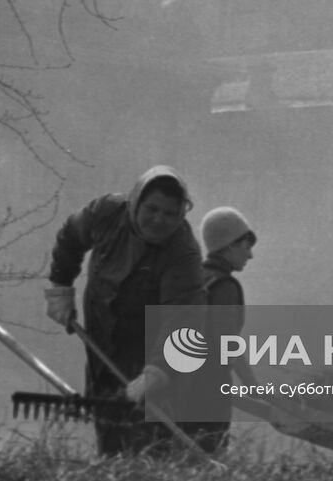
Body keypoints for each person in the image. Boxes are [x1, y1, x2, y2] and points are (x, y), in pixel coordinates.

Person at [44, 166, 205, 456]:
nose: (159, 220)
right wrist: (61, 286)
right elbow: (70, 236)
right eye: (152, 209)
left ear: (182, 216)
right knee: (108, 428)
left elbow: (184, 323)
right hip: (101, 343)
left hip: (149, 353)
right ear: (135, 202)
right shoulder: (106, 213)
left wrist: (156, 373)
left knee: (149, 443)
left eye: (170, 214)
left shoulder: (183, 254)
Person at [188, 206, 259, 454]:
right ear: (229, 245)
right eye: (246, 246)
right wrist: (250, 382)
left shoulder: (194, 278)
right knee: (210, 454)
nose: (249, 256)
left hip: (180, 387)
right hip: (209, 389)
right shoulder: (224, 286)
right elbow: (225, 342)